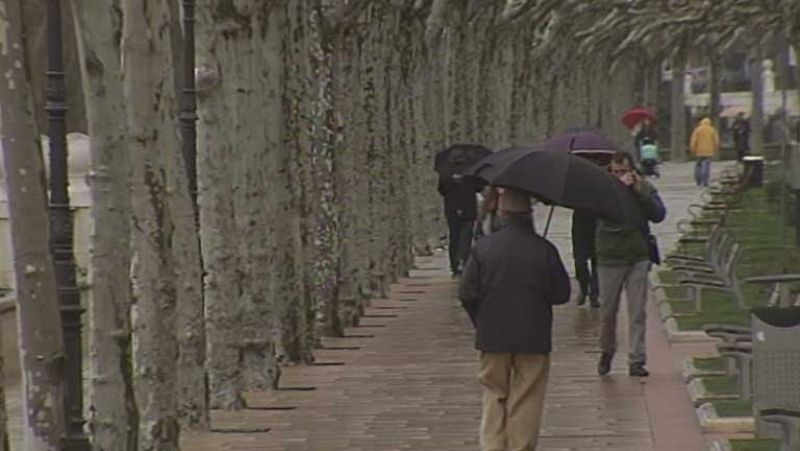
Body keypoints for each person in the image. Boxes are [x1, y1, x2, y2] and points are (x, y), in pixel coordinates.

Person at [460, 188, 571, 451]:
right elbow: (561, 294)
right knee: (528, 396)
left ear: (502, 212)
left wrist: (481, 320)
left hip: (493, 335)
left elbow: (467, 292)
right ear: (529, 214)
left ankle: (493, 445)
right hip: (533, 335)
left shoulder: (484, 248)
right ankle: (521, 446)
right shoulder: (544, 249)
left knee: (493, 392)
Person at [596, 151, 666, 378]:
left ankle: (637, 359)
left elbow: (658, 214)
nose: (620, 176)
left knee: (637, 311)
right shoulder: (602, 190)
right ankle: (606, 350)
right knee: (608, 311)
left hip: (637, 256)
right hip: (610, 257)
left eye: (623, 171)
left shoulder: (642, 187)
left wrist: (638, 192)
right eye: (615, 172)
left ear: (632, 170)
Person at [437, 157, 482, 276]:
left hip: (452, 208)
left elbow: (441, 190)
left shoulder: (445, 173)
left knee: (454, 236)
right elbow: (479, 187)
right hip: (469, 208)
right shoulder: (472, 171)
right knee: (466, 236)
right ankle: (465, 261)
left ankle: (454, 265)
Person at [571, 209, 599, 307]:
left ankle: (595, 294)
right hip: (580, 225)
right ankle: (583, 286)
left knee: (597, 262)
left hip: (598, 223)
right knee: (579, 261)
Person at [689, 117, 720, 187]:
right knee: (706, 166)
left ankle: (698, 180)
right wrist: (715, 149)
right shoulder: (712, 130)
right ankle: (705, 180)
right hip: (709, 151)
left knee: (698, 165)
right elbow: (716, 141)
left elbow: (693, 140)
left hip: (699, 151)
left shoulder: (697, 130)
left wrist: (692, 149)